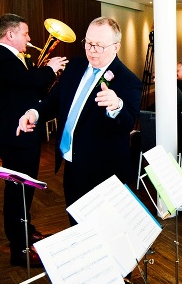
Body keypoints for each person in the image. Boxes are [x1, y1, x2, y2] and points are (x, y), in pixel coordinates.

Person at [18, 16, 141, 211]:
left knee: (100, 230)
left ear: (116, 47)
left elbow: (127, 124)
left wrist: (117, 107)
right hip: (72, 163)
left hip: (103, 171)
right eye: (89, 43)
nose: (92, 50)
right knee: (75, 223)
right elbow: (55, 101)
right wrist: (34, 113)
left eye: (99, 45)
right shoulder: (75, 66)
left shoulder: (128, 81)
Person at [0, 13, 67, 266]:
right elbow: (30, 80)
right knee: (17, 190)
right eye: (26, 33)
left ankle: (26, 230)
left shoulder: (15, 59)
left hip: (25, 132)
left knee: (26, 187)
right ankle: (19, 249)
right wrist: (50, 69)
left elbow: (34, 89)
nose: (30, 38)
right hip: (14, 134)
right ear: (10, 35)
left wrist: (51, 77)